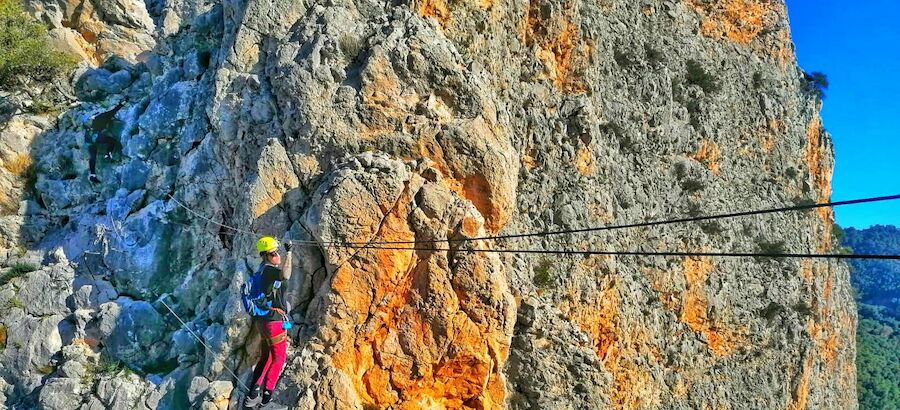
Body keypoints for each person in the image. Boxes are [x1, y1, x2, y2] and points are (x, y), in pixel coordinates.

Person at [243, 236, 293, 408]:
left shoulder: (260, 270)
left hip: (263, 321)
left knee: (267, 357)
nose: (277, 255)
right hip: (274, 322)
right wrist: (289, 253)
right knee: (278, 359)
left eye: (277, 252)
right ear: (265, 256)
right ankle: (266, 401)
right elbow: (285, 275)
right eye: (274, 253)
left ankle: (252, 397)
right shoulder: (270, 270)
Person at [85, 103, 125, 183]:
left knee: (92, 156)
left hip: (88, 138)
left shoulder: (91, 118)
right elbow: (113, 111)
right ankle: (108, 154)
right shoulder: (105, 115)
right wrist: (122, 104)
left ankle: (92, 175)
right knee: (112, 141)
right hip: (96, 137)